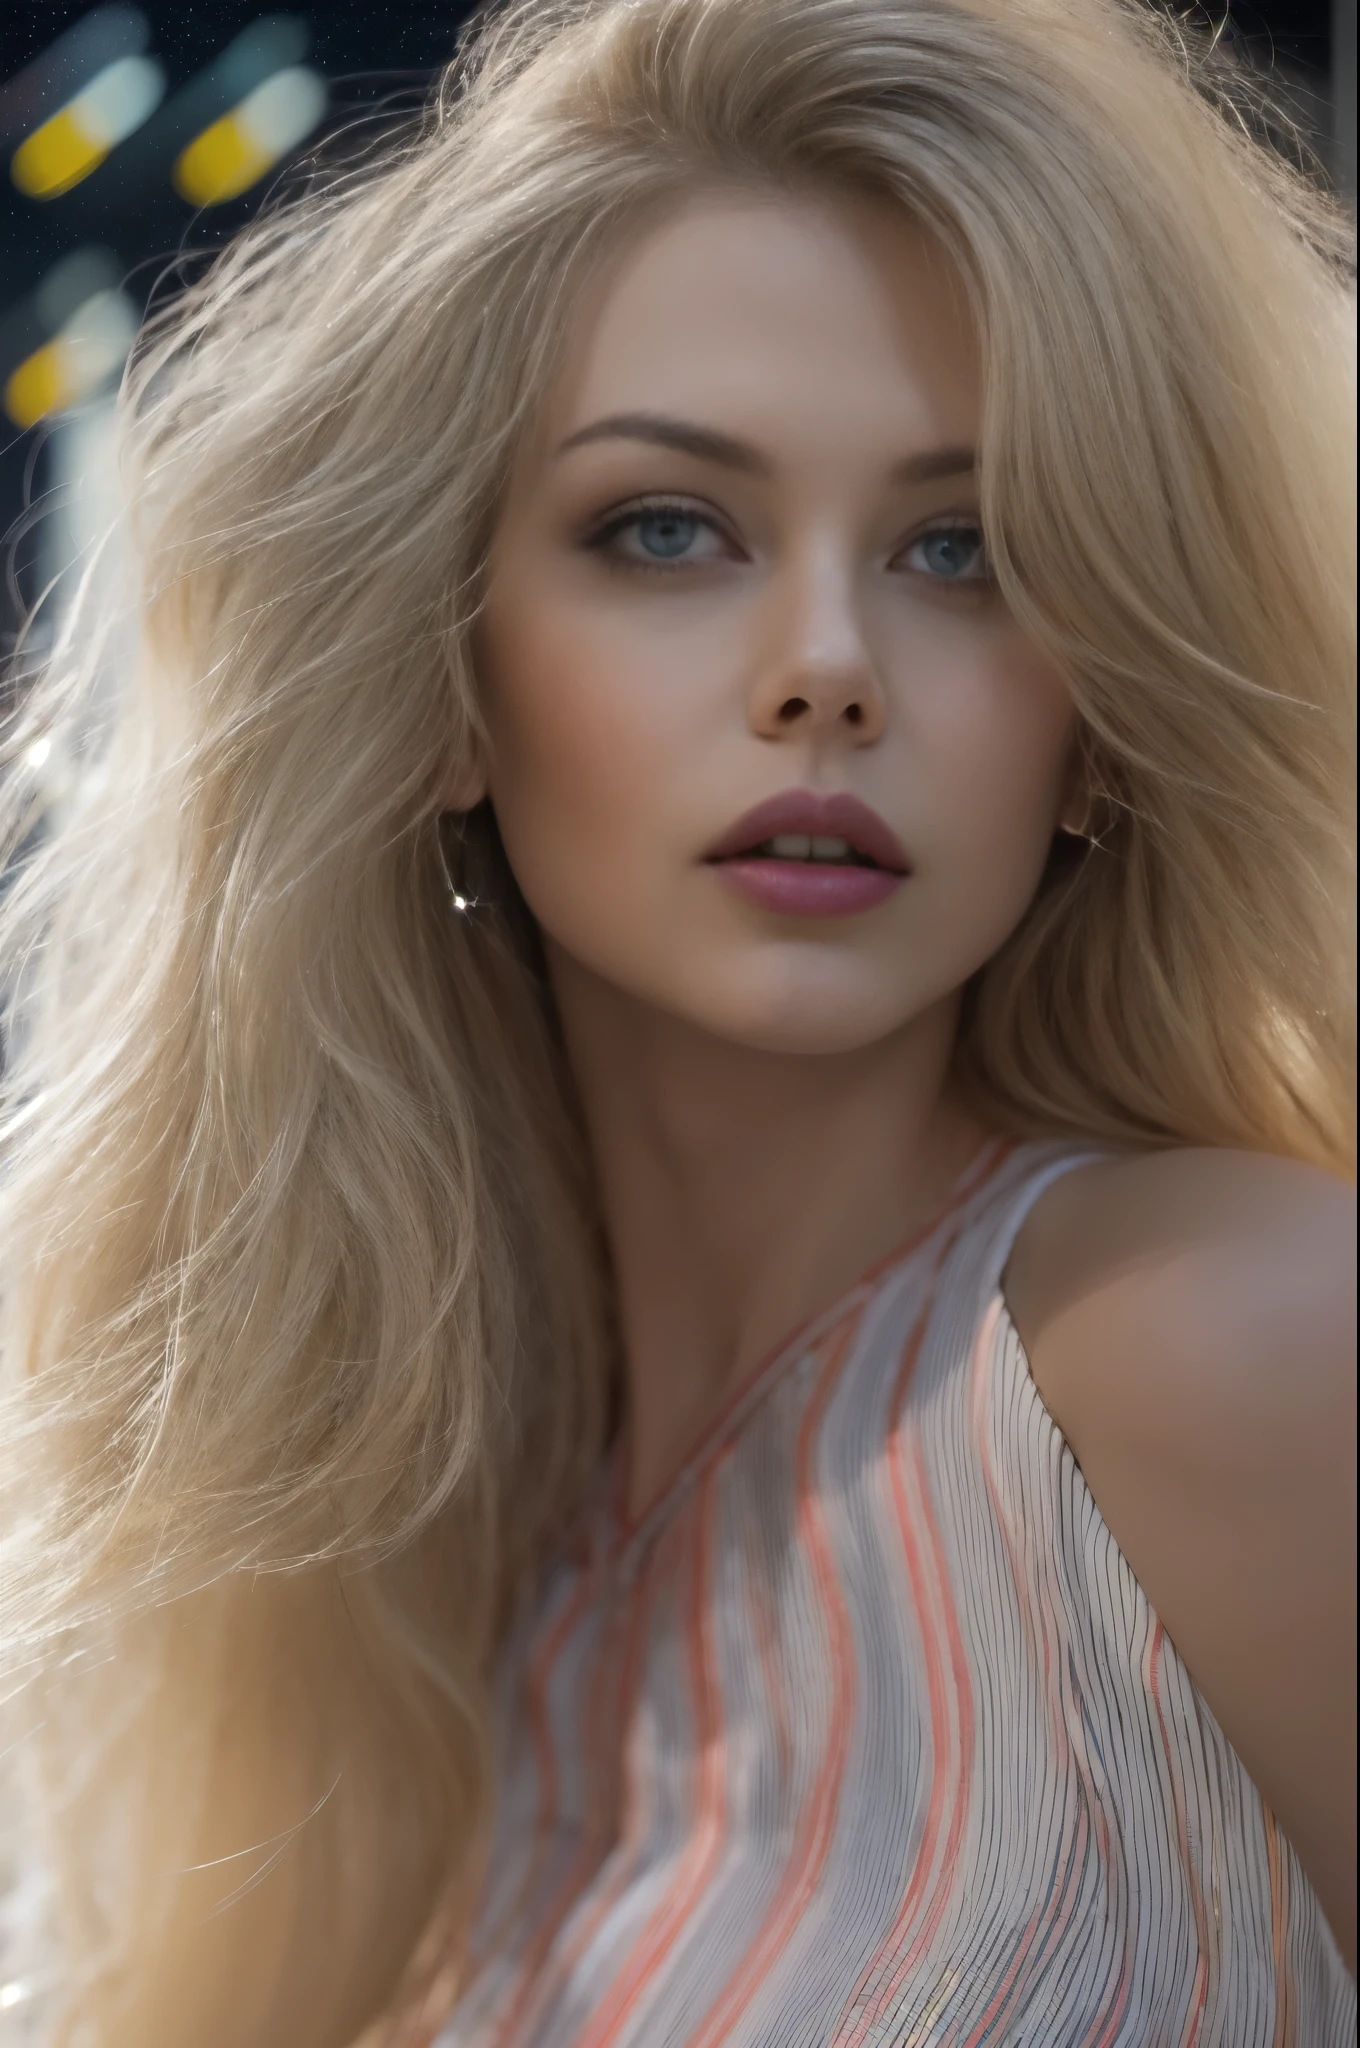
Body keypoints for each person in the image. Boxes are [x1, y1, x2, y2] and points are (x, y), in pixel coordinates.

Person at [0, 0, 1354, 2042]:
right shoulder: (437, 1527)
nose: (824, 668)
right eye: (665, 529)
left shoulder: (1236, 1351)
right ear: (448, 686)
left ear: (1097, 729)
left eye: (962, 549)